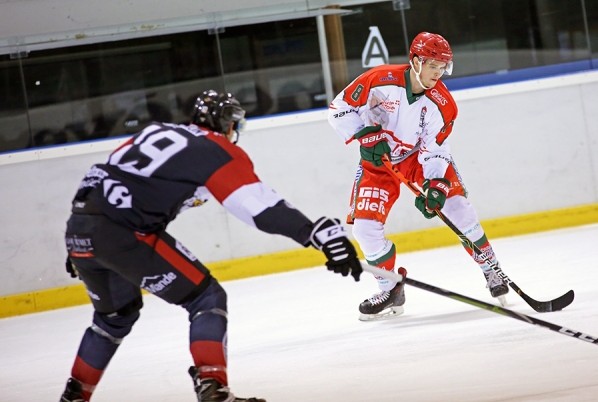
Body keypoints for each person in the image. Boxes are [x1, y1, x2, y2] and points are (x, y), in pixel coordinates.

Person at [59, 90, 362, 402]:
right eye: (234, 124)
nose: (235, 132)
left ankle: (75, 396)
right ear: (224, 123)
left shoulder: (156, 132)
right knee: (206, 298)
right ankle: (212, 386)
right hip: (123, 233)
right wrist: (315, 233)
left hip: (80, 227)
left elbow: (105, 177)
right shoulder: (212, 149)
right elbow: (259, 207)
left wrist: (83, 242)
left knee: (114, 318)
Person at [327, 32, 509, 320]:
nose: (437, 73)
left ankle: (491, 268)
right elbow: (339, 108)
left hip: (417, 158)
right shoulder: (379, 79)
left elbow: (435, 147)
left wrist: (435, 183)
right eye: (432, 65)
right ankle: (390, 289)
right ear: (415, 61)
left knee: (458, 208)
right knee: (364, 229)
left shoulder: (443, 103)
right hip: (378, 161)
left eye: (442, 67)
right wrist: (364, 136)